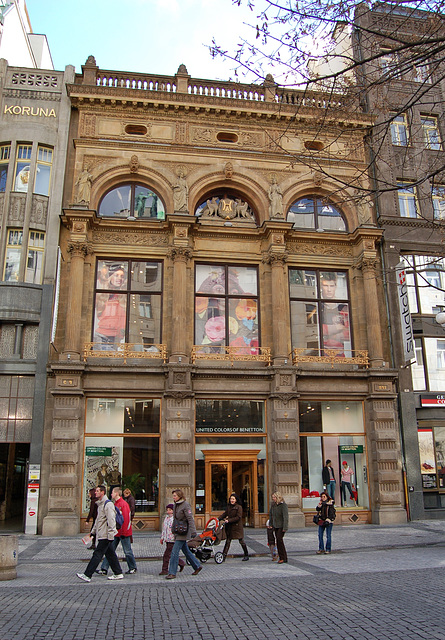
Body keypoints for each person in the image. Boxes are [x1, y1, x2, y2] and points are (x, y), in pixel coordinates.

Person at [76, 485, 123, 582]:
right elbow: (98, 521)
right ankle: (118, 573)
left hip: (105, 535)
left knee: (97, 554)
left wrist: (110, 535)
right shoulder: (100, 505)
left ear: (102, 492)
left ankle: (87, 574)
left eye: (97, 491)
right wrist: (92, 532)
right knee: (110, 554)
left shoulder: (108, 504)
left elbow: (111, 521)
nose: (95, 493)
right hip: (102, 534)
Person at [95, 487, 137, 575]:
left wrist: (124, 532)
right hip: (116, 532)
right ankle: (104, 568)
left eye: (112, 493)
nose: (111, 494)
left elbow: (126, 519)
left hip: (123, 532)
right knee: (110, 550)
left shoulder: (123, 504)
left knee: (127, 551)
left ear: (117, 493)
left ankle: (132, 567)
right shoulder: (114, 504)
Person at [166, 489, 202, 580]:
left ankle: (172, 572)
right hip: (178, 531)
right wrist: (173, 530)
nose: (173, 497)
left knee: (174, 552)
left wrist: (193, 531)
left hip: (183, 531)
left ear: (179, 496)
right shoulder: (175, 505)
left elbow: (190, 518)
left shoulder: (185, 505)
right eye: (173, 495)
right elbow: (175, 519)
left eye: (175, 495)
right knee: (186, 550)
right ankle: (197, 565)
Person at [219, 493, 249, 561]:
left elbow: (238, 517)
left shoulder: (239, 507)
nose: (231, 500)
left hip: (237, 527)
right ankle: (224, 556)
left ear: (236, 500)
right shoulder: (229, 507)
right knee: (228, 541)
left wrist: (228, 520)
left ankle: (246, 554)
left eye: (233, 499)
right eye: (231, 499)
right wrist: (218, 518)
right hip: (230, 527)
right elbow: (225, 513)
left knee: (241, 541)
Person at [159, 503, 186, 575]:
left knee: (167, 555)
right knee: (171, 554)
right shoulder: (166, 518)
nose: (168, 511)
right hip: (167, 539)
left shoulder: (174, 519)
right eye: (167, 510)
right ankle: (181, 563)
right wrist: (162, 538)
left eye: (170, 510)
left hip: (172, 539)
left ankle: (164, 569)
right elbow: (164, 529)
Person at [269, 491, 288, 564]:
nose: (273, 499)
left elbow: (285, 517)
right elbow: (271, 515)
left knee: (279, 540)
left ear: (278, 497)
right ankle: (284, 557)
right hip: (275, 525)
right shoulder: (273, 505)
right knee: (279, 541)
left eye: (274, 497)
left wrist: (285, 527)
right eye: (272, 497)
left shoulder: (283, 505)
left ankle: (282, 557)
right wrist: (271, 524)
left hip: (281, 526)